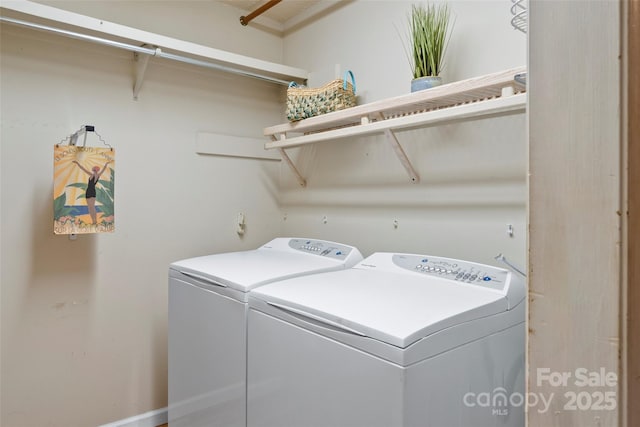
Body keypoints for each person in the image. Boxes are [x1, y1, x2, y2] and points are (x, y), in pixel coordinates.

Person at [72, 159, 111, 224]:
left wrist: (106, 164)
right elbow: (83, 169)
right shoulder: (92, 175)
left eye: (95, 170)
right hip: (88, 191)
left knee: (92, 207)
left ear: (96, 170)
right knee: (90, 207)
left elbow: (103, 170)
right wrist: (77, 163)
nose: (94, 171)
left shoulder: (96, 175)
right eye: (94, 170)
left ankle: (95, 220)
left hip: (92, 191)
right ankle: (93, 221)